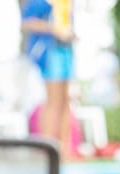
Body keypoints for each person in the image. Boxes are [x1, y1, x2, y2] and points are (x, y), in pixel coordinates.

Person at [20, 0, 77, 159]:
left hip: (66, 49)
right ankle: (47, 149)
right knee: (53, 101)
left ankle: (65, 151)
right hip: (49, 52)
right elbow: (27, 21)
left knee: (66, 101)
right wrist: (53, 30)